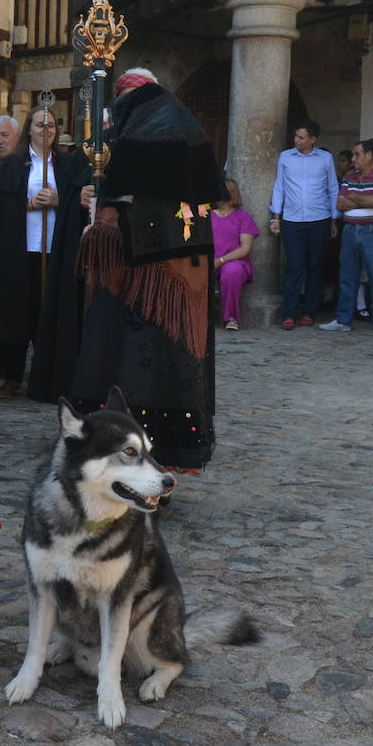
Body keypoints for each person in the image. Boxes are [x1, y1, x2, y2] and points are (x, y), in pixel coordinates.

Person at [67, 66, 226, 469]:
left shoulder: (136, 136)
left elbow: (114, 219)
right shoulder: (186, 132)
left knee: (123, 360)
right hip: (184, 276)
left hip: (136, 281)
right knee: (173, 361)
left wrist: (101, 225)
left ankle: (118, 442)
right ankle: (168, 448)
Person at [0, 106, 77, 398]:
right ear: (30, 129)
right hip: (21, 247)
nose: (46, 131)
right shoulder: (15, 164)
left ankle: (47, 373)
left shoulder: (65, 164)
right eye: (40, 125)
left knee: (47, 309)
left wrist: (57, 199)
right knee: (17, 309)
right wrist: (28, 205)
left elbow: (79, 201)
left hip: (53, 247)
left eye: (51, 125)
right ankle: (12, 374)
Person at [320, 140, 373, 335]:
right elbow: (340, 204)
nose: (353, 159)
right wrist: (365, 200)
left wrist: (354, 197)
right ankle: (343, 319)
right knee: (347, 276)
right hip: (351, 231)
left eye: (357, 155)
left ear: (369, 155)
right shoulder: (349, 177)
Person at [269, 120, 338, 329]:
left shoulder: (325, 158)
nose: (296, 140)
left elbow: (332, 188)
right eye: (296, 136)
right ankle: (289, 314)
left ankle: (309, 312)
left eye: (301, 137)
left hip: (320, 219)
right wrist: (276, 216)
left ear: (313, 139)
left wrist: (334, 218)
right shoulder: (286, 157)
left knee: (315, 267)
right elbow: (279, 186)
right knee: (294, 266)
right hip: (292, 219)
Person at [211, 179, 258, 331]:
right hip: (209, 260)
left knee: (232, 272)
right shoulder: (207, 215)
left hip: (234, 262)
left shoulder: (243, 217)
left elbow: (245, 248)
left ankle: (231, 318)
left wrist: (221, 260)